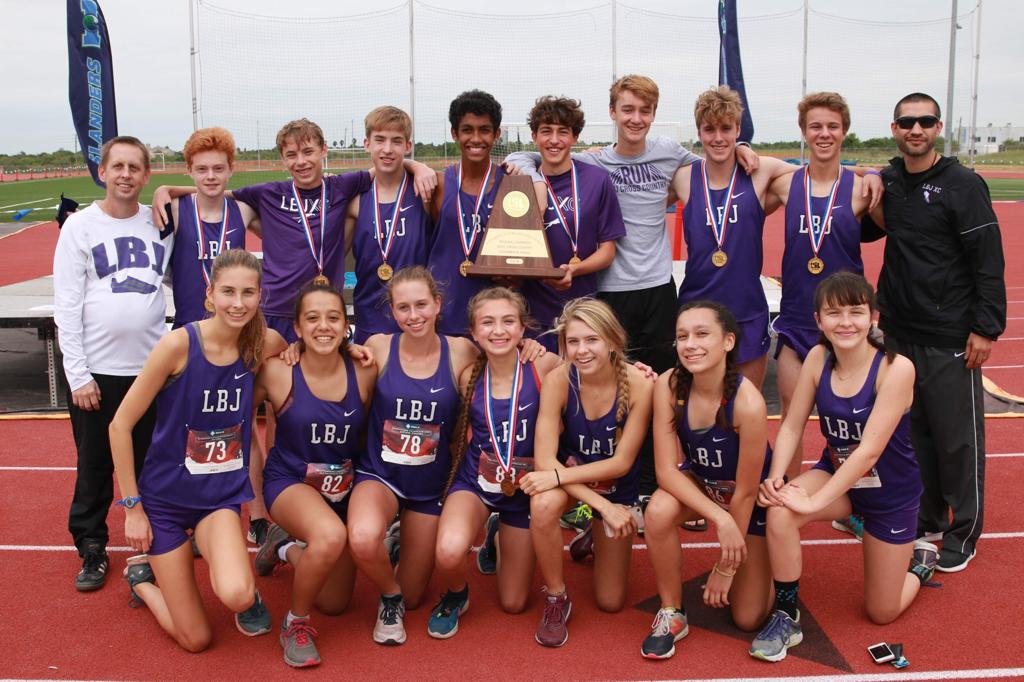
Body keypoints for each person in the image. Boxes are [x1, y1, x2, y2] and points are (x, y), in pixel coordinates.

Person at [507, 75, 758, 501]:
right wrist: (530, 172)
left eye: (644, 111)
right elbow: (528, 152)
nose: (635, 118)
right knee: (613, 391)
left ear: (654, 115)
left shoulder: (669, 154)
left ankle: (653, 483)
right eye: (627, 110)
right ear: (613, 114)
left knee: (662, 389)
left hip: (658, 289)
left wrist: (743, 148)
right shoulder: (595, 162)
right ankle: (599, 484)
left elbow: (716, 154)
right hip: (609, 293)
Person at [751, 272, 937, 663]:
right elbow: (791, 424)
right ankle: (787, 615)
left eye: (856, 311)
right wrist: (776, 476)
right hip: (838, 476)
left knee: (882, 612)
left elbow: (868, 453)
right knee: (780, 512)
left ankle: (919, 566)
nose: (846, 322)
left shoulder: (896, 368)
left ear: (874, 317)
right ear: (819, 321)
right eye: (834, 313)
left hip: (890, 495)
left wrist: (814, 499)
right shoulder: (818, 357)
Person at [109, 249, 287, 652]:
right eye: (228, 292)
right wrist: (133, 507)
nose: (237, 303)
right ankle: (144, 584)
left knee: (239, 595)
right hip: (164, 502)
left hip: (217, 502)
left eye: (248, 293)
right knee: (196, 639)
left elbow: (303, 355)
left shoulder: (266, 342)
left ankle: (244, 592)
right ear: (210, 295)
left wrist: (348, 352)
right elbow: (119, 425)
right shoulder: (177, 346)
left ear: (261, 296)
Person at [861, 92, 1005, 573]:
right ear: (895, 127)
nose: (916, 130)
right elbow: (866, 231)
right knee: (912, 431)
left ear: (938, 127)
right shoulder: (892, 181)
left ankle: (963, 531)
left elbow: (987, 260)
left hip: (949, 333)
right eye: (907, 122)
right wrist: (866, 182)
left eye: (925, 122)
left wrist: (985, 327)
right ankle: (925, 516)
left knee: (956, 439)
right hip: (900, 329)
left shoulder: (963, 184)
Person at [53, 136, 173, 591]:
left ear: (146, 175)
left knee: (152, 461)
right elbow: (66, 304)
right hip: (98, 373)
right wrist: (78, 373)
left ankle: (156, 540)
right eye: (117, 166)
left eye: (135, 167)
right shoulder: (80, 227)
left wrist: (170, 193)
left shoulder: (159, 223)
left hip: (150, 370)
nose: (125, 174)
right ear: (102, 172)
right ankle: (91, 545)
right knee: (95, 463)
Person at [347, 266, 481, 645]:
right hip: (380, 476)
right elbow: (332, 372)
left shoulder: (461, 350)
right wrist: (296, 348)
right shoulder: (378, 347)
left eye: (421, 304)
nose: (413, 315)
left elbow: (508, 362)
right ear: (392, 312)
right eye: (403, 307)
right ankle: (389, 598)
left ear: (437, 305)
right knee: (360, 538)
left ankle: (398, 547)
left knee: (416, 596)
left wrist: (533, 347)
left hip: (428, 487)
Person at [251, 280, 377, 667]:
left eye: (333, 318)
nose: (324, 326)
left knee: (336, 603)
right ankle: (295, 623)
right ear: (298, 328)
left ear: (346, 326)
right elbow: (232, 416)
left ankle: (283, 547)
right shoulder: (276, 372)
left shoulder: (365, 370)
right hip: (290, 481)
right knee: (329, 536)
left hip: (343, 486)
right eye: (313, 319)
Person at [641, 300, 773, 660]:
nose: (690, 344)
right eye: (682, 336)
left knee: (747, 618)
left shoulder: (747, 403)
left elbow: (745, 493)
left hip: (750, 500)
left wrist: (725, 567)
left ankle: (771, 566)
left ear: (728, 341)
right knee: (657, 511)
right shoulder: (669, 384)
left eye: (702, 334)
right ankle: (672, 613)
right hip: (705, 487)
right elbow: (667, 470)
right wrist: (719, 517)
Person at [520, 298, 654, 647]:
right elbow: (545, 460)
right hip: (575, 485)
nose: (582, 350)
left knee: (610, 602)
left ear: (612, 341)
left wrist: (606, 504)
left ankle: (592, 533)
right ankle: (556, 596)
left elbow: (621, 464)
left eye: (591, 340)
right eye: (573, 342)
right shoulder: (559, 381)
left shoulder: (640, 384)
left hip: (610, 486)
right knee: (543, 504)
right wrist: (599, 504)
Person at [429, 287, 562, 639]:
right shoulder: (467, 376)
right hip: (476, 483)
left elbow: (596, 375)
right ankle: (457, 595)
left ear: (523, 329)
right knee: (449, 550)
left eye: (508, 322)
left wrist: (639, 370)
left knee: (514, 603)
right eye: (487, 322)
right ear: (473, 332)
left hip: (524, 493)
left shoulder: (544, 365)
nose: (498, 330)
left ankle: (496, 535)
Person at [764, 92, 878, 478]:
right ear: (803, 132)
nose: (824, 134)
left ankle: (862, 502)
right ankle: (787, 495)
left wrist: (878, 172)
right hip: (798, 320)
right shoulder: (785, 184)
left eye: (832, 126)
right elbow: (746, 164)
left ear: (844, 131)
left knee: (852, 421)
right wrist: (745, 147)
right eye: (816, 126)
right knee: (790, 414)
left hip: (845, 322)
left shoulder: (863, 189)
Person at [516, 96, 625, 349]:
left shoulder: (597, 180)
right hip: (531, 315)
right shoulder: (518, 182)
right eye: (546, 131)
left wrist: (575, 269)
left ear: (574, 137)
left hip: (583, 314)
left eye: (563, 132)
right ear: (534, 136)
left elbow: (608, 251)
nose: (554, 140)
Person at [426, 89, 508, 337]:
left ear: (496, 134)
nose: (476, 138)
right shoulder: (437, 184)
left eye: (484, 130)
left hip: (494, 317)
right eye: (467, 129)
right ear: (454, 134)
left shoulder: (512, 185)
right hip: (445, 312)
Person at [346, 106, 431, 343]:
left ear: (408, 146)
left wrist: (418, 167)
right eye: (379, 140)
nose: (387, 149)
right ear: (366, 144)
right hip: (369, 320)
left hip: (417, 319)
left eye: (396, 141)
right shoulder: (355, 200)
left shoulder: (424, 192)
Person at [167, 127, 256, 328]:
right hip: (188, 329)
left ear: (230, 169)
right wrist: (165, 190)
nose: (210, 176)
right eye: (201, 169)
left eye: (218, 169)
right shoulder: (175, 209)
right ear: (189, 170)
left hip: (234, 330)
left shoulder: (244, 210)